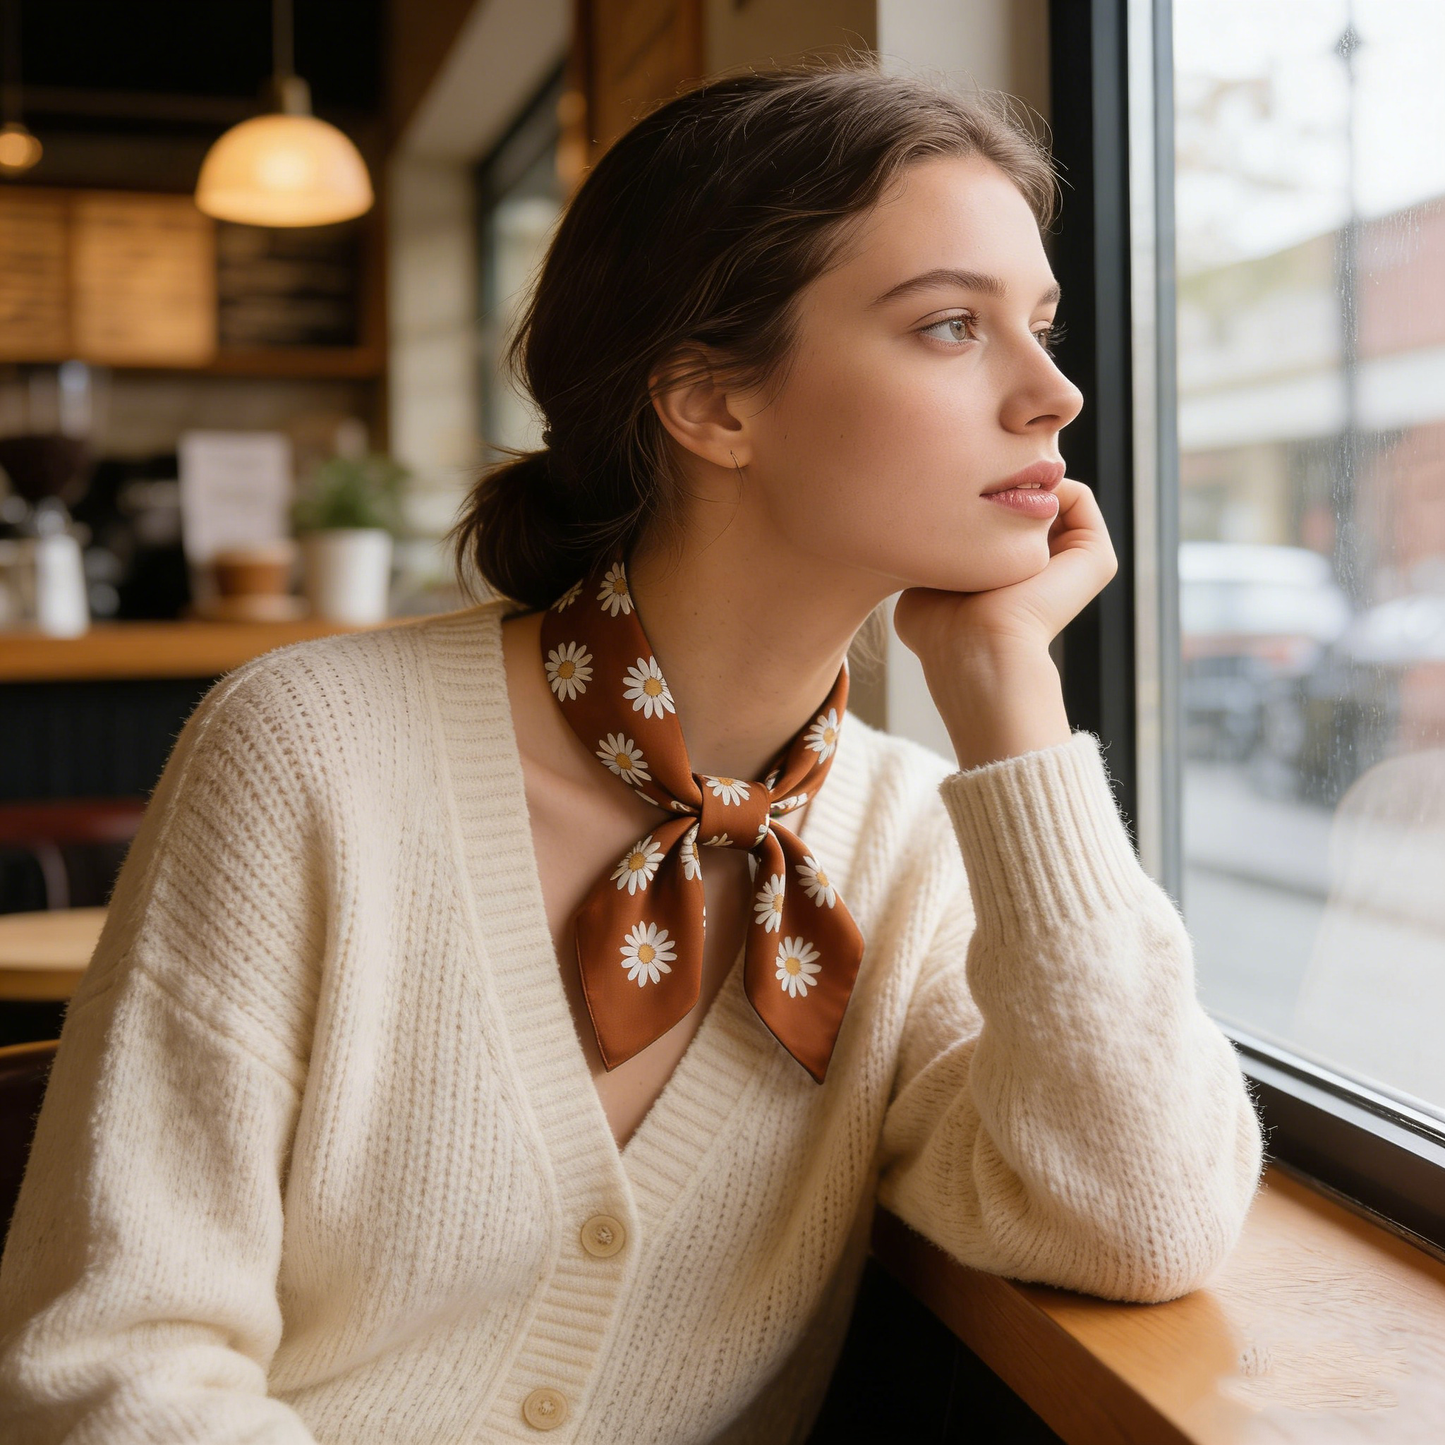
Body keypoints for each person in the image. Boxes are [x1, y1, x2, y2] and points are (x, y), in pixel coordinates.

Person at [0, 57, 1264, 1445]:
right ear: (711, 403)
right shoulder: (311, 750)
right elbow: (118, 1369)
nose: (1056, 397)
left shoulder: (910, 839)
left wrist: (1008, 697)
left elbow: (1141, 1219)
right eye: (952, 326)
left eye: (1043, 323)